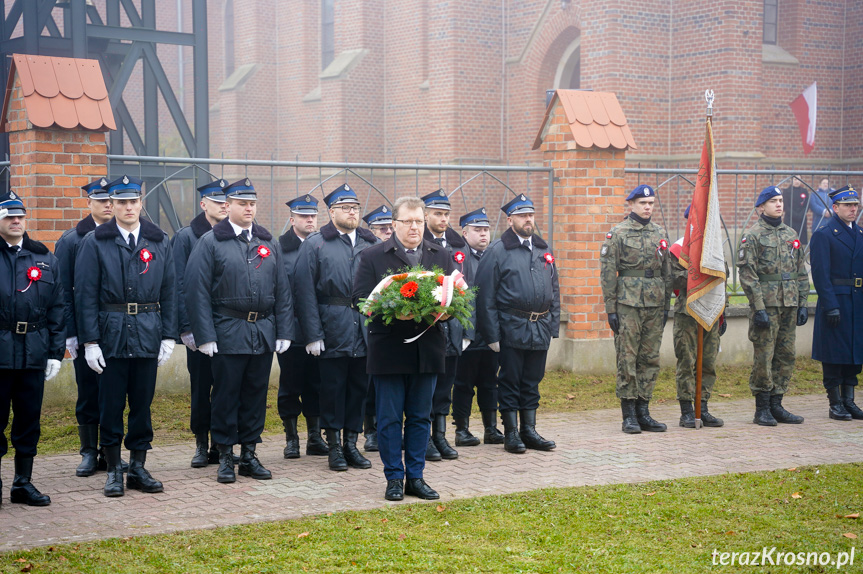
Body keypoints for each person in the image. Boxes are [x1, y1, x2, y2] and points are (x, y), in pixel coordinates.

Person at [185, 178, 293, 484]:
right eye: (242, 203)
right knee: (225, 395)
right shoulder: (210, 242)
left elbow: (282, 290)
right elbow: (196, 292)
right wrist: (204, 336)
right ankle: (224, 455)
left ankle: (249, 454)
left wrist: (284, 331)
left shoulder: (267, 242)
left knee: (255, 395)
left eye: (252, 204)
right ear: (227, 205)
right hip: (228, 332)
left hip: (262, 331)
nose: (249, 209)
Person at [75, 176, 177, 497]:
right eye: (121, 202)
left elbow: (171, 291)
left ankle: (138, 467)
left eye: (133, 201)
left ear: (141, 202)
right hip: (111, 334)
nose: (128, 207)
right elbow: (86, 294)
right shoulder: (95, 242)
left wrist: (168, 335)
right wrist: (90, 341)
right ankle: (114, 469)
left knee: (142, 405)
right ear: (113, 205)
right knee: (111, 405)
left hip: (148, 331)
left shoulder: (159, 241)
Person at [352, 196, 455, 501]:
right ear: (393, 224)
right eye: (407, 221)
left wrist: (447, 311)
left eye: (419, 221)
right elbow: (360, 299)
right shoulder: (373, 256)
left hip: (428, 349)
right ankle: (395, 477)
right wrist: (393, 312)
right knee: (390, 418)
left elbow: (454, 295)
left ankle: (417, 477)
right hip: (389, 350)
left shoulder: (441, 255)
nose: (414, 227)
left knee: (421, 416)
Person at [295, 184, 377, 472]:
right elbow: (304, 293)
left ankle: (351, 445)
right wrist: (313, 334)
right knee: (331, 390)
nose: (351, 212)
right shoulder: (316, 244)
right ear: (331, 212)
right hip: (332, 327)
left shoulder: (371, 243)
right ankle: (333, 447)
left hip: (365, 330)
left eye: (355, 207)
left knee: (358, 390)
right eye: (345, 207)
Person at [476, 193, 560, 453]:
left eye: (531, 215)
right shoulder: (498, 250)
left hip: (539, 327)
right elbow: (485, 296)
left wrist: (553, 325)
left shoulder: (544, 249)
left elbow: (554, 290)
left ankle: (529, 430)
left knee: (532, 380)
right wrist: (492, 335)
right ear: (510, 219)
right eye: (523, 215)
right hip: (511, 326)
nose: (528, 219)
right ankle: (511, 432)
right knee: (510, 380)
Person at [54, 177, 123, 477]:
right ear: (89, 202)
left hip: (117, 328)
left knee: (115, 392)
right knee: (88, 391)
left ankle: (111, 452)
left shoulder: (121, 236)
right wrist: (70, 332)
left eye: (112, 199)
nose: (108, 205)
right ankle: (87, 451)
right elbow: (64, 292)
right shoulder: (72, 240)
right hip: (85, 330)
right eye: (101, 199)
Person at [0, 191, 64, 506]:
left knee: (28, 422)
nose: (15, 221)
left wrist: (55, 353)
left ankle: (22, 483)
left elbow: (57, 308)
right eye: (8, 217)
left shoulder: (44, 258)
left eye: (19, 217)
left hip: (33, 353)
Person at [599, 185, 673, 434]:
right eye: (643, 203)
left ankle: (644, 411)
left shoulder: (660, 233)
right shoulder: (618, 233)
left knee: (650, 358)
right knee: (627, 357)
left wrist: (665, 306)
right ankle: (628, 414)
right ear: (631, 205)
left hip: (654, 302)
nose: (648, 207)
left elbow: (667, 272)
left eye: (651, 203)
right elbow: (608, 273)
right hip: (628, 304)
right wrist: (611, 308)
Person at [737, 186, 810, 426]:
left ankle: (777, 404)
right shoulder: (754, 235)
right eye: (773, 201)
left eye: (780, 201)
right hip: (767, 306)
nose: (779, 204)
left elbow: (800, 271)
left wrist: (802, 303)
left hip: (788, 304)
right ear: (761, 207)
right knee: (764, 356)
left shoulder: (791, 234)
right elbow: (748, 275)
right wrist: (758, 308)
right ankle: (762, 407)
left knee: (786, 355)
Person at [171, 179, 229, 468]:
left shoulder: (235, 235)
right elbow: (179, 285)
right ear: (203, 204)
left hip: (229, 326)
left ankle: (222, 442)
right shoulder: (186, 237)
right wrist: (187, 327)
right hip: (199, 326)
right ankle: (200, 442)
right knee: (201, 386)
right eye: (217, 202)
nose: (223, 207)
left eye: (226, 202)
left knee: (226, 387)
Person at [277, 195, 328, 459]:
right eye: (304, 216)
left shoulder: (321, 245)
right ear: (292, 219)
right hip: (292, 330)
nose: (310, 220)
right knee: (290, 385)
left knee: (316, 385)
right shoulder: (279, 248)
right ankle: (291, 438)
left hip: (318, 329)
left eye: (313, 216)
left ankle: (314, 437)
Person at [421, 189, 469, 461]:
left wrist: (466, 329)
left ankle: (440, 435)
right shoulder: (421, 245)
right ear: (425, 214)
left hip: (453, 329)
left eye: (446, 214)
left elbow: (468, 289)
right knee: (427, 386)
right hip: (431, 328)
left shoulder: (457, 244)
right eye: (437, 213)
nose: (443, 219)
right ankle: (424, 436)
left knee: (446, 386)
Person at [670, 205, 727, 428]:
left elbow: (722, 281)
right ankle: (687, 410)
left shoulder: (715, 250)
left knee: (709, 362)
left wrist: (724, 312)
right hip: (688, 312)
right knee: (687, 361)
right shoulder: (678, 249)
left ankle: (702, 408)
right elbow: (673, 280)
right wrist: (698, 274)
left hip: (712, 311)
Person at [451, 207, 504, 445]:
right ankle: (461, 429)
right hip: (467, 333)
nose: (483, 235)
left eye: (486, 230)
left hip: (491, 332)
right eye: (477, 230)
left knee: (489, 382)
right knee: (463, 383)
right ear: (464, 232)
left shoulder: (495, 254)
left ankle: (490, 428)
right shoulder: (458, 257)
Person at [809, 185, 863, 421]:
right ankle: (835, 403)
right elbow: (821, 274)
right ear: (835, 207)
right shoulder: (824, 234)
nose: (853, 209)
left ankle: (849, 400)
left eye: (855, 205)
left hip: (857, 302)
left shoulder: (860, 233)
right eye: (848, 205)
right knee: (834, 353)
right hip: (836, 301)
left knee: (854, 352)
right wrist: (830, 304)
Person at [359, 203, 395, 451]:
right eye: (382, 229)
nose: (388, 233)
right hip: (364, 320)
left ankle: (388, 429)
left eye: (390, 228)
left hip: (391, 326)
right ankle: (369, 429)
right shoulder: (366, 253)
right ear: (370, 230)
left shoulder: (395, 253)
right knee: (368, 383)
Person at [782, 177, 810, 244]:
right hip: (790, 218)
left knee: (801, 242)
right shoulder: (786, 191)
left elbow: (807, 205)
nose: (797, 181)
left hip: (801, 219)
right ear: (792, 180)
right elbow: (785, 206)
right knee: (789, 241)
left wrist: (800, 214)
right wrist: (795, 215)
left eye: (799, 179)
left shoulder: (804, 191)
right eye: (795, 179)